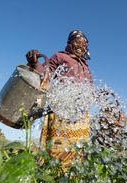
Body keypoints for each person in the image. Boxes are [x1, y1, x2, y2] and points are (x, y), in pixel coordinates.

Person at [26, 30, 93, 169]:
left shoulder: (85, 65)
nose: (81, 45)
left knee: (78, 152)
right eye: (77, 42)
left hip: (82, 115)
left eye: (84, 44)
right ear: (70, 43)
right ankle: (55, 177)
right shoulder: (60, 56)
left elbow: (90, 90)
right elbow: (45, 74)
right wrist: (34, 63)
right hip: (62, 111)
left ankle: (75, 179)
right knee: (58, 151)